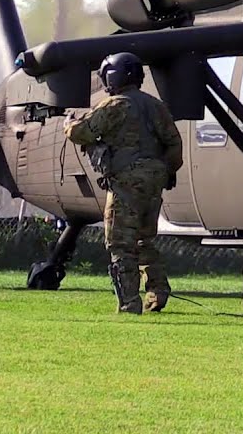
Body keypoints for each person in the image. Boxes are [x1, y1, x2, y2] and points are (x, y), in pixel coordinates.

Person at [64, 52, 184, 314]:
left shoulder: (114, 105)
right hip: (155, 180)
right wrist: (166, 171)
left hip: (126, 182)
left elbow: (82, 132)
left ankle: (129, 302)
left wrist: (68, 123)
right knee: (144, 240)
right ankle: (158, 290)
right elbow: (174, 143)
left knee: (120, 243)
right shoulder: (156, 106)